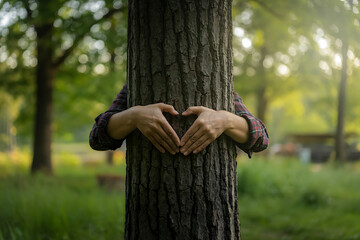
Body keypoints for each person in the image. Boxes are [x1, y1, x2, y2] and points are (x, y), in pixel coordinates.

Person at [89, 84, 269, 157]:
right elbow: (97, 137)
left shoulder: (222, 86)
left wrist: (226, 119)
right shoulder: (136, 86)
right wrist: (133, 115)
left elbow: (261, 139)